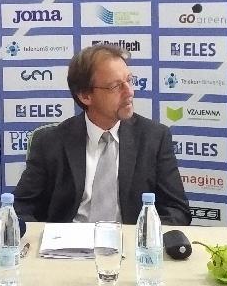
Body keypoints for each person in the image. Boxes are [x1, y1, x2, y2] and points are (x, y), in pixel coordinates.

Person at [13, 45, 191, 225]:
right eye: (115, 86)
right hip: (68, 240)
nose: (129, 92)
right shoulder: (50, 142)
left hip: (131, 239)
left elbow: (177, 211)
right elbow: (20, 209)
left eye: (129, 80)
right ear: (85, 96)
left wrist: (144, 235)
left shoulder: (154, 137)